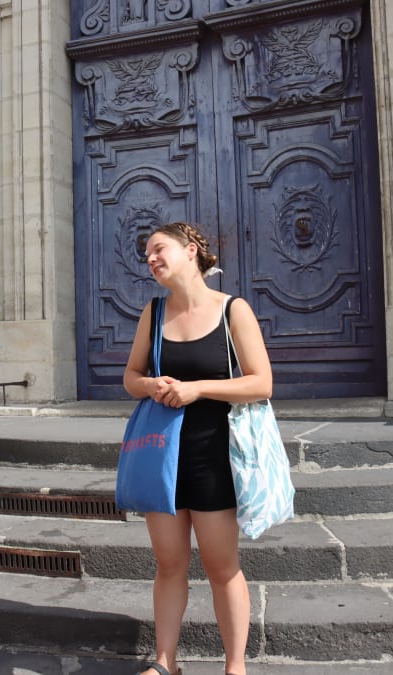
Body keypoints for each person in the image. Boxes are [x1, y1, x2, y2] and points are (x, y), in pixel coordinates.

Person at [123, 222, 273, 675]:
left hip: (215, 456)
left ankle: (235, 667)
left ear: (190, 251)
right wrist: (151, 384)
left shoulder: (233, 310)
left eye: (158, 249)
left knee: (221, 566)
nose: (150, 258)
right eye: (146, 254)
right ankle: (165, 663)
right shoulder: (153, 312)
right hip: (163, 456)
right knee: (169, 564)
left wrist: (196, 389)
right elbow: (130, 378)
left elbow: (262, 382)